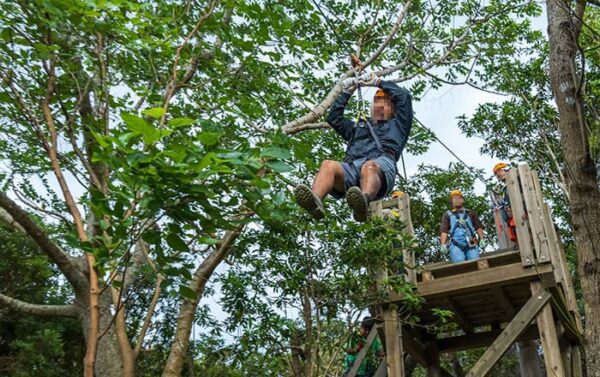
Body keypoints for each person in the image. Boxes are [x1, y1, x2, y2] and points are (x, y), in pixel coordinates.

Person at [294, 72, 413, 222]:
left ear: (393, 109)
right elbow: (334, 119)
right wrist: (346, 91)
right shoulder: (359, 127)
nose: (380, 105)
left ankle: (364, 202)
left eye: (385, 103)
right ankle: (315, 201)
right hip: (353, 169)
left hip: (381, 166)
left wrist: (378, 82)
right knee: (328, 165)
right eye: (377, 102)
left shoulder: (398, 125)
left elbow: (404, 97)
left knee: (369, 167)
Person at [440, 190, 486, 263]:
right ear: (451, 202)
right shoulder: (447, 215)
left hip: (472, 241)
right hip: (456, 243)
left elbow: (478, 227)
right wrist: (443, 244)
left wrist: (482, 239)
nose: (457, 200)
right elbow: (444, 231)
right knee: (459, 262)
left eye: (459, 198)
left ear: (463, 200)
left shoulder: (470, 213)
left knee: (475, 261)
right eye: (454, 198)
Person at [491, 162, 518, 244]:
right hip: (511, 221)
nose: (498, 174)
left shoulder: (517, 181)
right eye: (496, 174)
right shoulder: (504, 189)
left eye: (499, 171)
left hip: (521, 217)